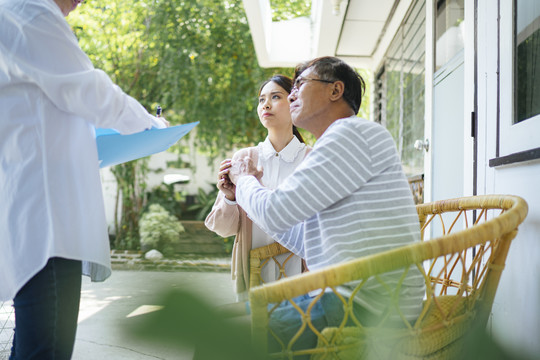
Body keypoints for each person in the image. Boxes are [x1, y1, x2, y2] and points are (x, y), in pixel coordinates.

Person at [0, 0, 168, 358]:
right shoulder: (29, 9)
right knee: (47, 349)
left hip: (32, 211)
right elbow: (87, 89)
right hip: (49, 222)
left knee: (31, 345)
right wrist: (152, 127)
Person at [227, 56, 425, 350]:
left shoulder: (350, 134)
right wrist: (246, 189)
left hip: (366, 303)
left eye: (300, 85)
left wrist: (244, 180)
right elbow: (303, 236)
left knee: (223, 338)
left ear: (335, 90)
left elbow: (275, 212)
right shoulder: (344, 141)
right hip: (355, 296)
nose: (292, 94)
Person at [205, 75, 311, 301]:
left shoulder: (311, 158)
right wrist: (230, 198)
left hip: (302, 274)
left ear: (294, 101)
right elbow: (223, 229)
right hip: (253, 272)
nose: (266, 104)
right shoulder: (245, 159)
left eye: (275, 96)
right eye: (261, 99)